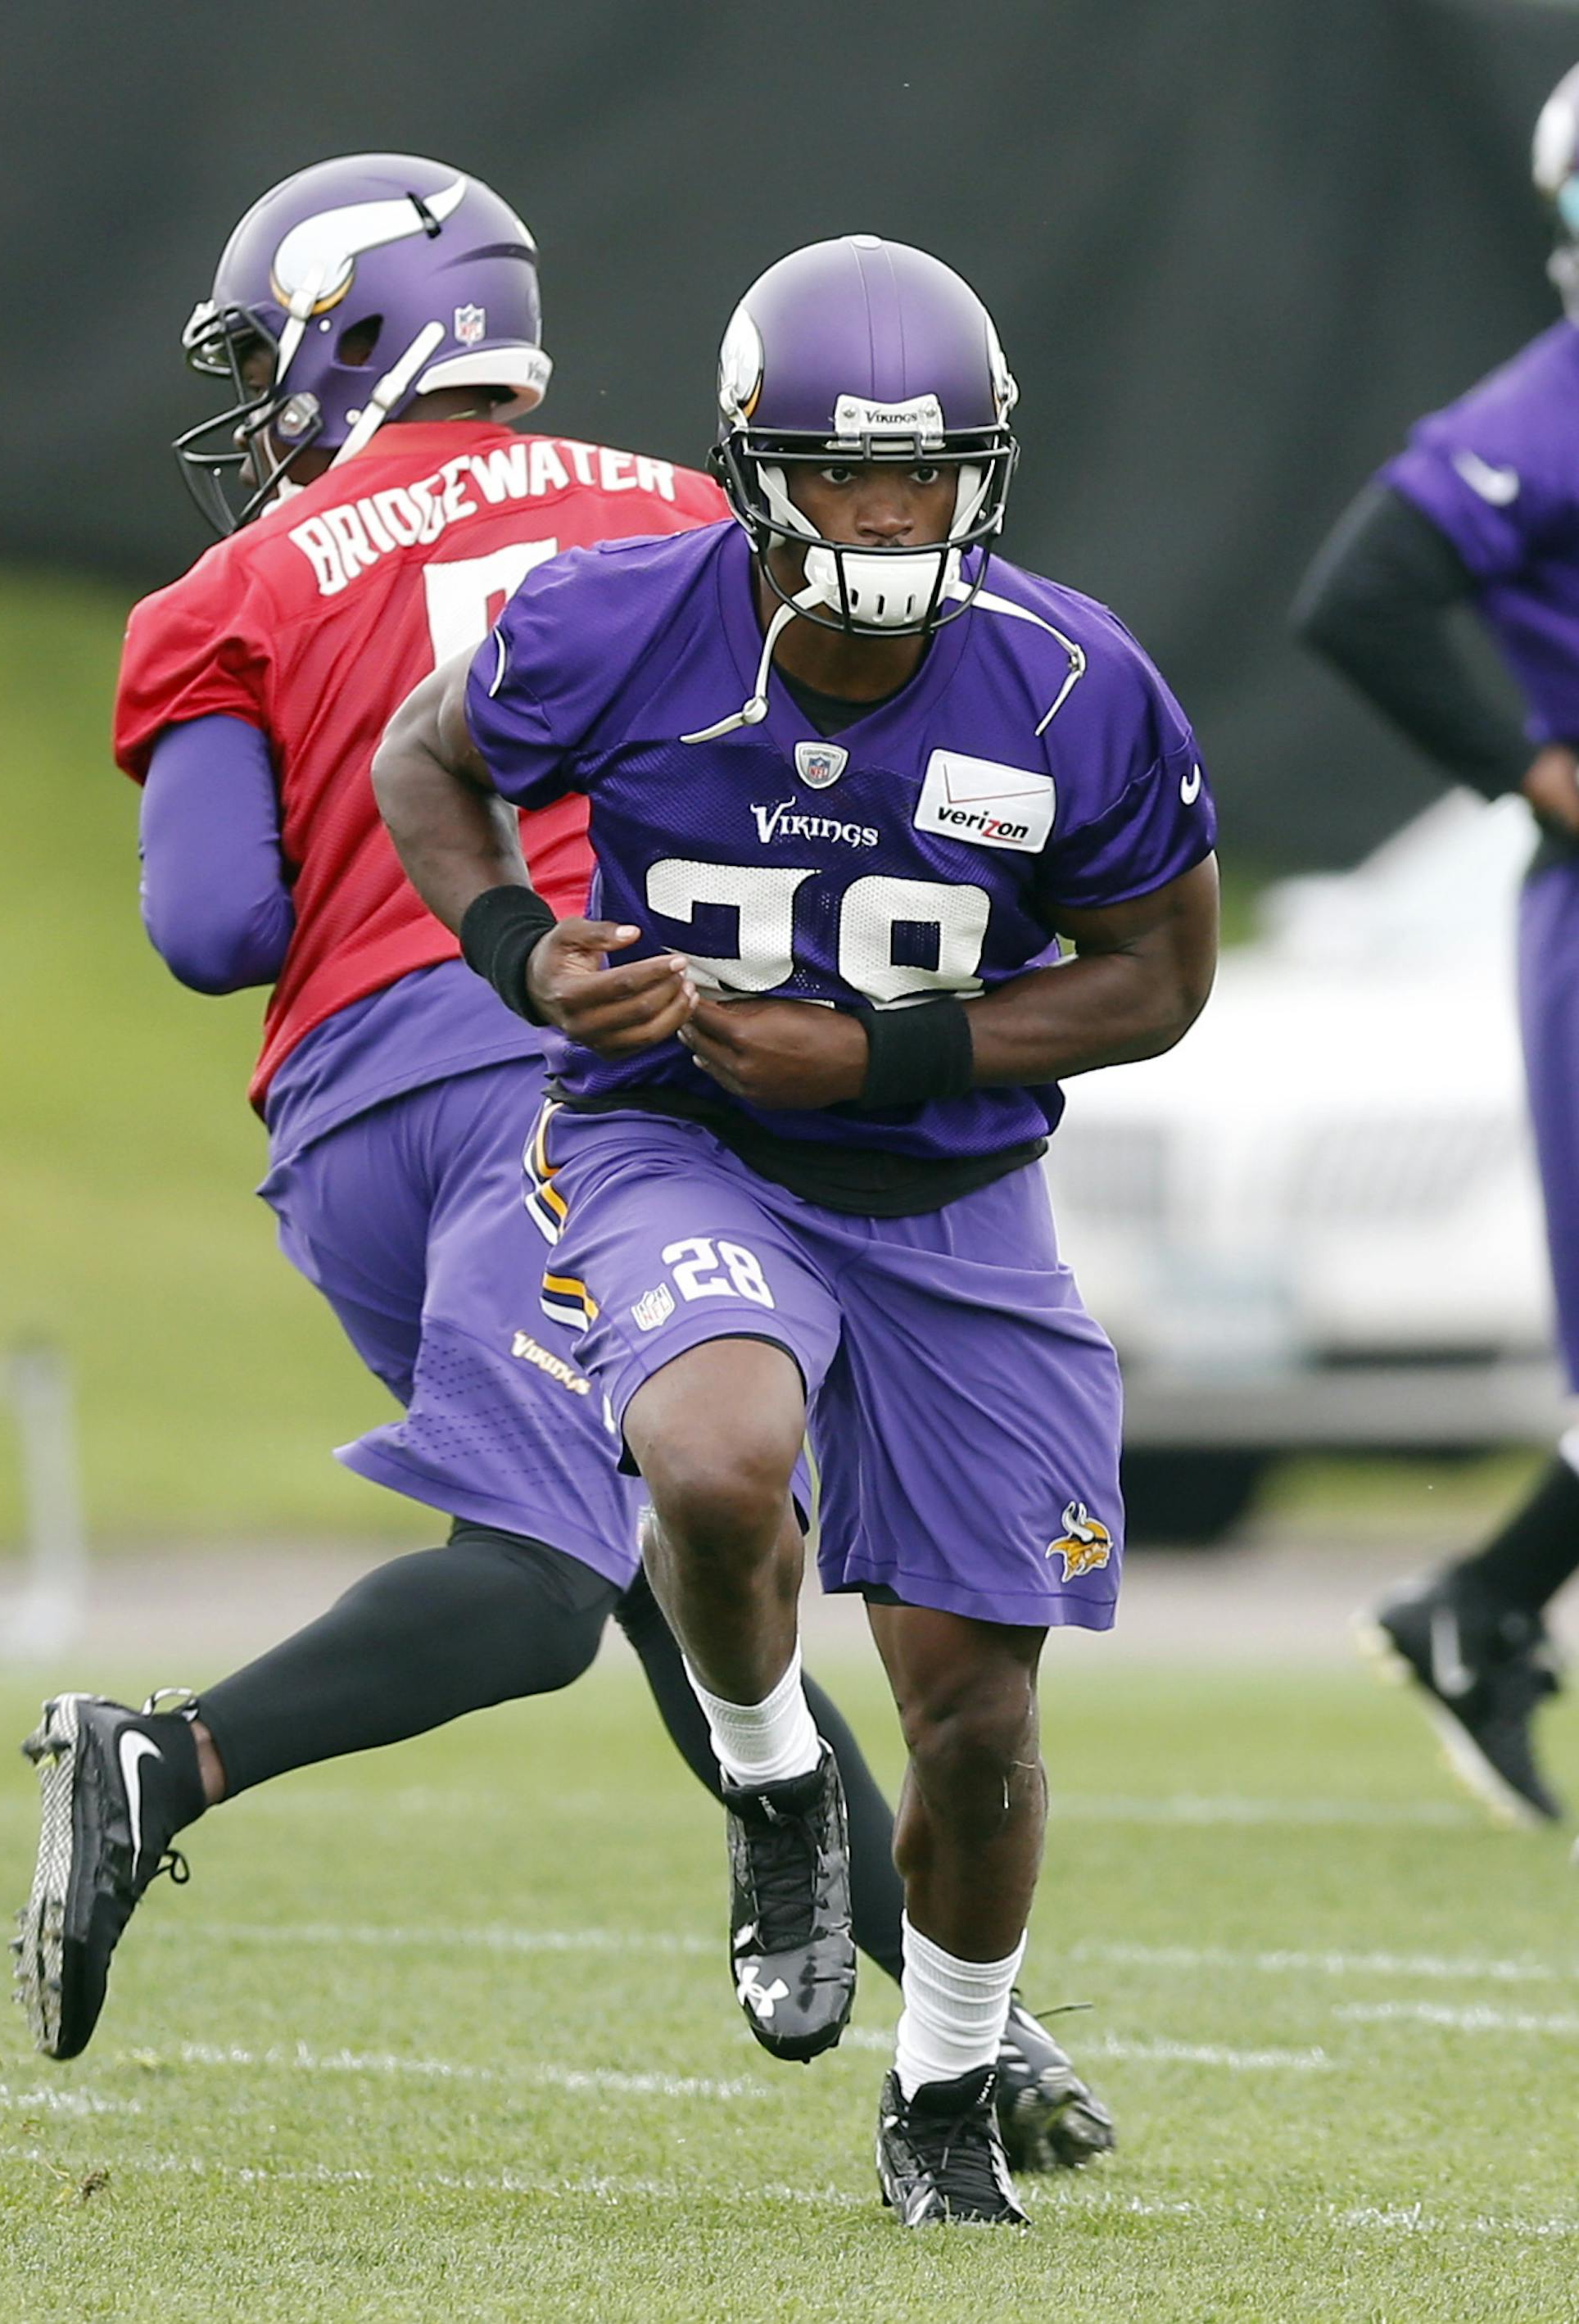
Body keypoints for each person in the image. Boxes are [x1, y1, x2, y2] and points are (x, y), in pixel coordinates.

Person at [11, 156, 1111, 2175]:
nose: (262, 413)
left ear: (354, 339)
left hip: (346, 1131)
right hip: (585, 1078)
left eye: (269, 365)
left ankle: (977, 2034)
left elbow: (212, 929)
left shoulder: (235, 587)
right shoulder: (701, 513)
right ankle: (157, 1765)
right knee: (557, 1570)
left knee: (678, 1541)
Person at [375, 233, 1219, 2226]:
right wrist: (518, 951)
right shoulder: (612, 621)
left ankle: (936, 2091)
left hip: (949, 1200)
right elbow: (433, 758)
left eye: (927, 472)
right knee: (721, 1459)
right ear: (758, 469)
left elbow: (1161, 976)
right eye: (851, 471)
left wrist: (887, 1053)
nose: (891, 512)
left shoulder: (1076, 681)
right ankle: (768, 1775)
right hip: (685, 1143)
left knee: (982, 1726)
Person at [1294, 66, 1579, 1830]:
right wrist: (1534, 766)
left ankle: (1475, 1606)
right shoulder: (1546, 413)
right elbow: (1360, 593)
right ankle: (1475, 1607)